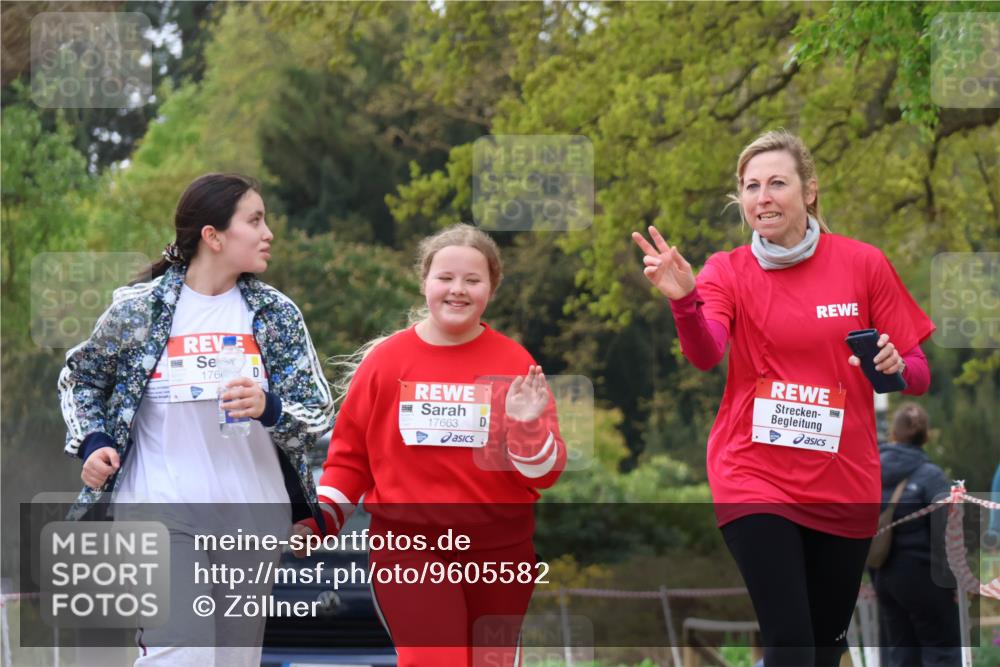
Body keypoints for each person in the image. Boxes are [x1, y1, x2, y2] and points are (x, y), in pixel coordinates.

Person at [632, 129, 935, 666]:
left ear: (809, 191)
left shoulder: (863, 264)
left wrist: (891, 365)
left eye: (777, 183)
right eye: (751, 187)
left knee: (825, 646)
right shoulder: (727, 270)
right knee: (790, 642)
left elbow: (916, 373)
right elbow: (707, 353)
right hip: (755, 474)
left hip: (844, 480)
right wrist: (684, 303)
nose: (762, 197)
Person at [58, 173, 335, 666]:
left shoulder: (276, 315)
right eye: (255, 220)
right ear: (213, 235)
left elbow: (316, 413)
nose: (268, 232)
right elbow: (81, 380)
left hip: (251, 512)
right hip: (156, 504)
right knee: (181, 649)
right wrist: (93, 440)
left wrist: (268, 407)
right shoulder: (139, 310)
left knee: (232, 659)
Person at [294, 223, 566, 667]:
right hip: (410, 549)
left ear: (491, 289)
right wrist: (318, 519)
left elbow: (545, 473)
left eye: (472, 280)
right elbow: (349, 461)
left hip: (500, 552)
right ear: (425, 282)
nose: (457, 290)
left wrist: (528, 426)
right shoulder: (386, 364)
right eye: (445, 278)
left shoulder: (515, 363)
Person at [872, 403, 960, 667]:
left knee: (901, 651)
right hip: (924, 575)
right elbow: (948, 533)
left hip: (883, 575)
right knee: (941, 649)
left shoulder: (872, 472)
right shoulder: (930, 476)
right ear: (926, 436)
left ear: (894, 435)